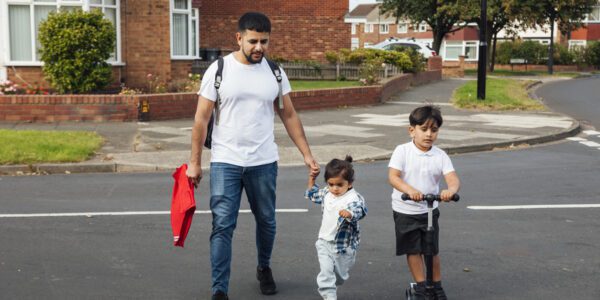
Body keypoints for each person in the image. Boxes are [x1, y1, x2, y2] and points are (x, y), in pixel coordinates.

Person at [186, 12, 320, 300]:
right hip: (226, 161)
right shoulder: (219, 70)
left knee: (267, 221)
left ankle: (264, 267)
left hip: (263, 161)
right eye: (253, 41)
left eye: (264, 41)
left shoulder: (274, 72)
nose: (259, 47)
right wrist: (195, 163)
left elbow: (289, 114)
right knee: (222, 224)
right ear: (239, 38)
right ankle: (219, 288)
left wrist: (307, 155)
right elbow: (200, 119)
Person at [387, 105, 460, 300]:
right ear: (412, 130)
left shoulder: (440, 155)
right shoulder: (402, 151)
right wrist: (410, 190)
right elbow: (393, 177)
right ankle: (420, 286)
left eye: (434, 130)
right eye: (424, 129)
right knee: (413, 250)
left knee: (431, 249)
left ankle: (436, 285)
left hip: (429, 210)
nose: (429, 134)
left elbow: (452, 179)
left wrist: (450, 191)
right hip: (405, 209)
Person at [305, 156, 367, 300]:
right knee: (326, 274)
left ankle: (333, 284)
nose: (335, 188)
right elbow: (313, 195)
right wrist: (312, 179)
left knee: (340, 277)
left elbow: (360, 210)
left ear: (349, 183)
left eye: (339, 185)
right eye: (331, 184)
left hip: (344, 246)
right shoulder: (327, 193)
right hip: (324, 242)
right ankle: (329, 296)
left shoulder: (353, 198)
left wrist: (349, 213)